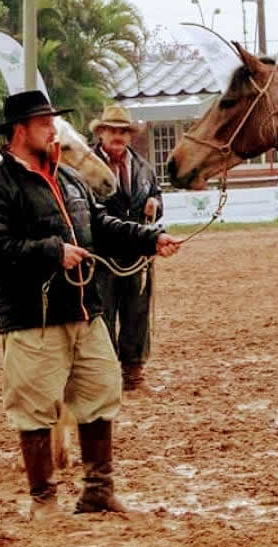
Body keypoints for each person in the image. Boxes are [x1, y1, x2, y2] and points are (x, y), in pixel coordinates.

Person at [0, 90, 181, 519]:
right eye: (45, 123)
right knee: (34, 408)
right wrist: (53, 251)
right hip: (33, 320)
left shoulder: (67, 180)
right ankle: (43, 499)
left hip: (85, 311)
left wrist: (149, 238)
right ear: (20, 131)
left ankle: (98, 492)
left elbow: (98, 224)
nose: (53, 129)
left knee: (101, 393)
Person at [89, 105, 162, 393]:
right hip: (102, 254)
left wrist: (155, 205)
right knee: (102, 313)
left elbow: (157, 197)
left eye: (123, 131)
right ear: (102, 133)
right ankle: (104, 376)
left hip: (137, 254)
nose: (118, 136)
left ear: (130, 135)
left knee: (137, 312)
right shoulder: (88, 167)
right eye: (112, 130)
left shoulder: (143, 167)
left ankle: (134, 373)